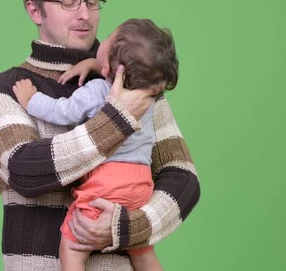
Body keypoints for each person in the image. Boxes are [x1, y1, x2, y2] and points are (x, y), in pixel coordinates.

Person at [0, 0, 200, 270]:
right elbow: (23, 170)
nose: (84, 14)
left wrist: (127, 228)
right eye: (68, 1)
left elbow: (183, 178)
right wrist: (116, 120)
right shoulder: (1, 90)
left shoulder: (140, 83)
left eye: (92, 1)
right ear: (34, 9)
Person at [13, 18, 178, 271]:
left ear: (110, 68)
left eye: (109, 39)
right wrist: (94, 63)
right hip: (142, 184)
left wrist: (31, 100)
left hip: (105, 183)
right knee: (144, 254)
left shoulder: (98, 89)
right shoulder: (149, 96)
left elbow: (63, 111)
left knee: (72, 248)